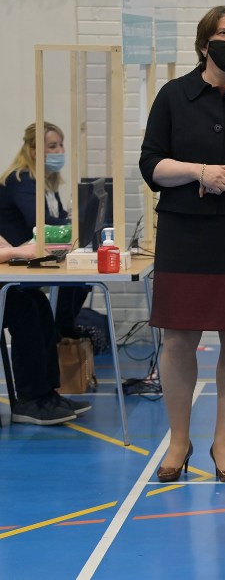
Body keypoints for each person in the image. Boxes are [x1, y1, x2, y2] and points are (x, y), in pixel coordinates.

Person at [139, 6, 225, 484]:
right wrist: (198, 172)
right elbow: (151, 165)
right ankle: (178, 440)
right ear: (203, 44)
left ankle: (224, 442)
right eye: (222, 33)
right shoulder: (174, 96)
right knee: (179, 338)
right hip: (185, 232)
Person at [0, 121, 92, 424]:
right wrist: (17, 251)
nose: (58, 152)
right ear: (33, 150)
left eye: (60, 145)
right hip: (8, 279)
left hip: (13, 276)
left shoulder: (46, 183)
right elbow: (44, 226)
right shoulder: (23, 181)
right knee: (28, 310)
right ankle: (30, 399)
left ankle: (47, 393)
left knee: (39, 307)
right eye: (51, 146)